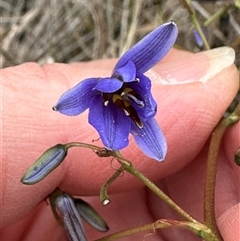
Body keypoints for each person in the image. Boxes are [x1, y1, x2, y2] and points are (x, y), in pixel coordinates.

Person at [1, 47, 239, 241]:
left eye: (123, 93)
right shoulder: (89, 95)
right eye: (116, 95)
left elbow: (156, 148)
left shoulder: (135, 104)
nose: (120, 98)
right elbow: (65, 104)